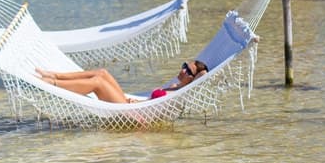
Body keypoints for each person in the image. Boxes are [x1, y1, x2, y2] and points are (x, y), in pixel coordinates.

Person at [35, 60, 208, 104]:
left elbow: (204, 75)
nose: (183, 69)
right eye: (184, 65)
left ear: (192, 78)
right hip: (132, 105)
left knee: (98, 83)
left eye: (188, 70)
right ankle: (55, 76)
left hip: (132, 115)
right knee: (102, 73)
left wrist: (200, 72)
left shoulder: (183, 90)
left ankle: (53, 84)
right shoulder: (175, 86)